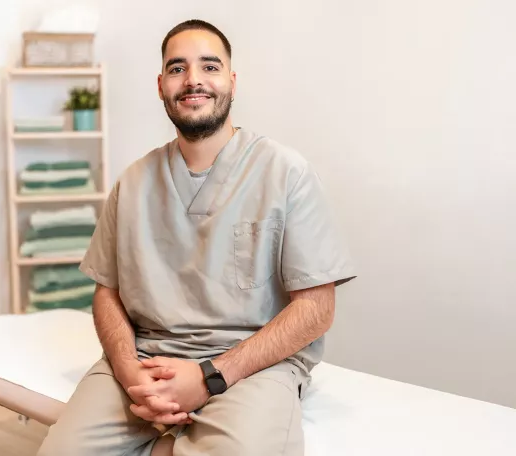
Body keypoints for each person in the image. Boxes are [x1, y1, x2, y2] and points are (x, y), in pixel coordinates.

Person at [36, 19, 356, 456]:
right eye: (177, 68)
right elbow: (106, 292)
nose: (193, 80)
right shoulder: (133, 183)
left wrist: (210, 376)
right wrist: (130, 371)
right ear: (161, 85)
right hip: (148, 358)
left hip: (253, 365)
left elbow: (317, 309)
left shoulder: (286, 172)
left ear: (231, 81)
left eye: (210, 66)